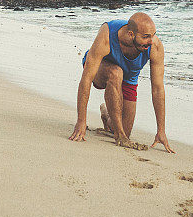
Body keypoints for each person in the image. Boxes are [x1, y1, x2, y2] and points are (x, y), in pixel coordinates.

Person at [69, 12, 174, 153]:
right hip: (101, 69)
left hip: (128, 77)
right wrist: (81, 121)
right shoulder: (107, 34)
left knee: (125, 130)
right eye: (145, 37)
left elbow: (157, 89)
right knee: (115, 72)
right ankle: (120, 135)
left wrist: (161, 130)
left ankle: (107, 114)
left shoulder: (154, 46)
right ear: (131, 34)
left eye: (153, 35)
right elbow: (86, 79)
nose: (151, 41)